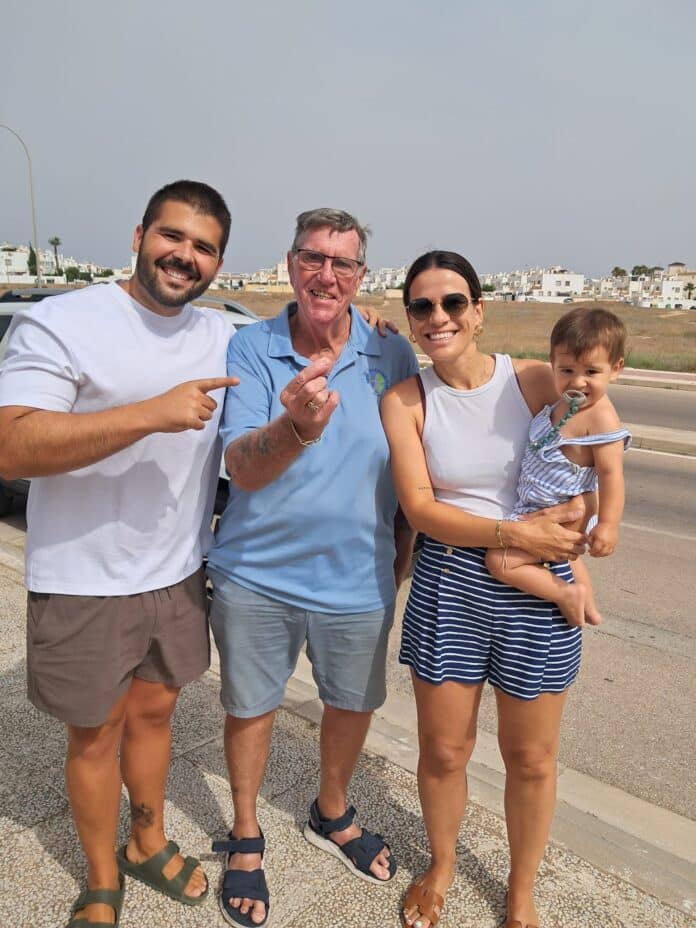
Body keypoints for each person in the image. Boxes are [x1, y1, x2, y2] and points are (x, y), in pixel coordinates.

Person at [0, 180, 239, 927]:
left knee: (157, 714)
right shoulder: (60, 321)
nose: (184, 255)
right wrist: (149, 415)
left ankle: (147, 840)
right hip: (84, 576)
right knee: (95, 734)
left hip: (177, 571)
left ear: (218, 263)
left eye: (204, 247)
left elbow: (301, 339)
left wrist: (368, 322)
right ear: (139, 236)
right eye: (172, 236)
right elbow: (13, 444)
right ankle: (101, 877)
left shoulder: (221, 333)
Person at [206, 208, 419, 927]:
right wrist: (295, 427)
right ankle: (245, 831)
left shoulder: (391, 352)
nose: (326, 274)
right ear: (291, 263)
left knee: (352, 704)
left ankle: (331, 812)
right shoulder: (251, 347)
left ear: (361, 275)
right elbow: (242, 467)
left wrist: (402, 550)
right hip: (256, 575)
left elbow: (412, 464)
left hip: (358, 577)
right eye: (312, 258)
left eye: (343, 262)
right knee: (249, 706)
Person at [380, 251, 590, 928]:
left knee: (531, 758)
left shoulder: (532, 381)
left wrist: (582, 522)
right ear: (411, 319)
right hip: (450, 582)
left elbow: (596, 448)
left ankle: (521, 891)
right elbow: (420, 510)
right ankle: (441, 865)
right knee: (444, 751)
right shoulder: (406, 401)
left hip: (537, 587)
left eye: (452, 302)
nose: (437, 317)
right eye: (422, 306)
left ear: (478, 311)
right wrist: (517, 534)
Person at [486, 307, 631, 626]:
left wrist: (608, 524)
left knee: (500, 561)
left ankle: (566, 594)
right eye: (567, 370)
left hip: (564, 514)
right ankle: (588, 607)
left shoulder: (601, 417)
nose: (577, 381)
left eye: (591, 372)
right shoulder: (560, 403)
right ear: (552, 363)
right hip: (537, 507)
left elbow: (611, 475)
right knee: (571, 561)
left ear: (615, 369)